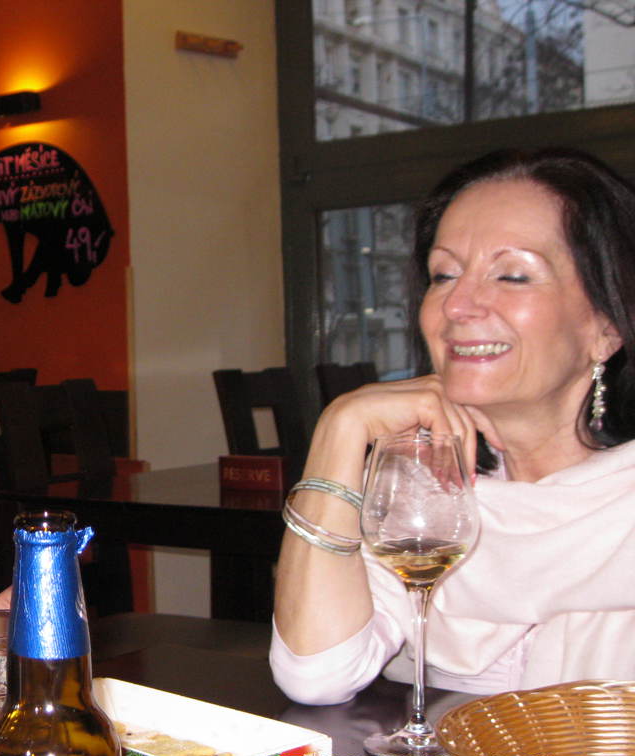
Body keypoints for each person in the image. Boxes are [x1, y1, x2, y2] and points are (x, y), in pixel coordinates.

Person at [271, 147, 635, 705]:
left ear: (606, 328)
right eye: (443, 275)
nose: (458, 304)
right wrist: (339, 427)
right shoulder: (416, 487)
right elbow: (314, 674)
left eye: (513, 275)